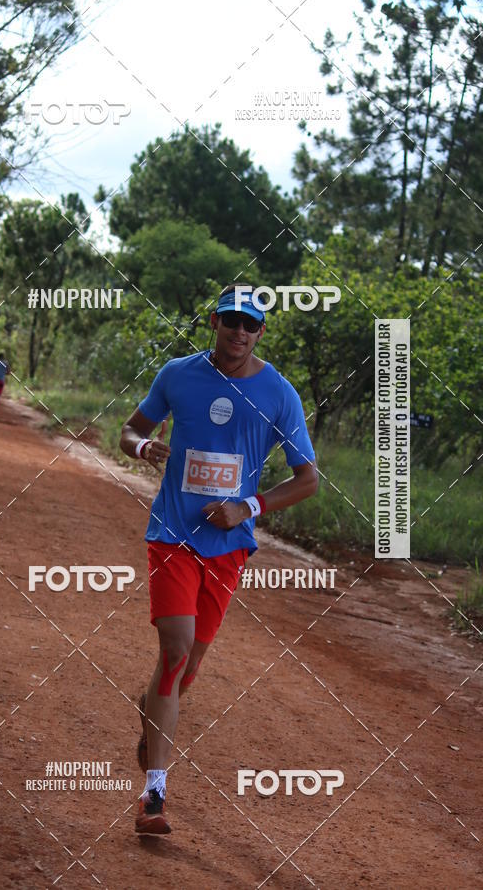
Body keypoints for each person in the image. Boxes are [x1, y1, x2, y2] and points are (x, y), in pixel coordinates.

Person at [119, 284, 319, 835]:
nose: (239, 331)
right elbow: (130, 429)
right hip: (173, 535)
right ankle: (154, 798)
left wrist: (247, 506)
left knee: (186, 670)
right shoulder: (177, 374)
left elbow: (307, 481)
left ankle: (152, 707)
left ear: (261, 332)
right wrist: (141, 447)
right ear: (214, 321)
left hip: (229, 549)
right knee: (176, 650)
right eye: (231, 320)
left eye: (250, 324)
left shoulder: (280, 394)